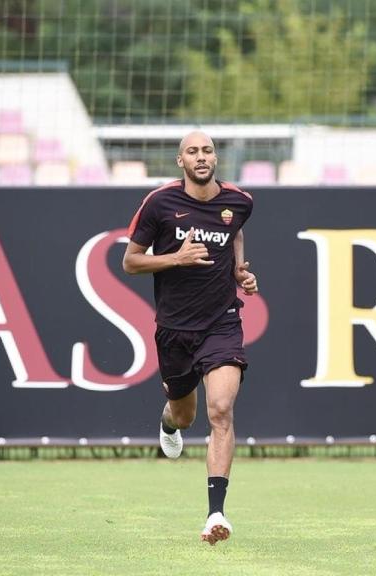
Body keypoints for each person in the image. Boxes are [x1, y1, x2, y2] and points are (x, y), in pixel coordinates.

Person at [122, 130, 258, 545]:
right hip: (175, 330)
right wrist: (176, 258)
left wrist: (237, 270)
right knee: (184, 415)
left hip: (222, 323)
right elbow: (130, 262)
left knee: (221, 410)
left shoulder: (240, 202)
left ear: (215, 158)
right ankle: (168, 422)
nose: (202, 157)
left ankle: (216, 513)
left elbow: (234, 230)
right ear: (180, 161)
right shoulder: (160, 203)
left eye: (208, 150)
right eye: (193, 152)